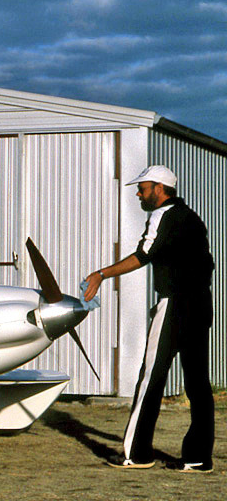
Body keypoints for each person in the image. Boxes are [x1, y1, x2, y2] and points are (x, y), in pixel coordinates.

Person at [83, 165, 215, 473]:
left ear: (159, 188)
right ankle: (198, 458)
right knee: (197, 382)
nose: (138, 193)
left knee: (150, 378)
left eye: (142, 188)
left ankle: (136, 454)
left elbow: (143, 254)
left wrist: (101, 274)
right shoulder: (192, 218)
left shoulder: (162, 215)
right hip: (200, 305)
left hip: (174, 305)